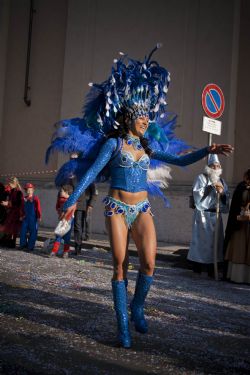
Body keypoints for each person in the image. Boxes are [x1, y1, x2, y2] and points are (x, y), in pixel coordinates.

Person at [47, 45, 233, 348]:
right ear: (130, 116)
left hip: (142, 207)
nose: (147, 120)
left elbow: (181, 161)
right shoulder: (113, 146)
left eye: (148, 116)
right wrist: (71, 199)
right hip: (117, 208)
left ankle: (136, 307)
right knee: (120, 263)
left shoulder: (147, 148)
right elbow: (93, 172)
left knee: (148, 264)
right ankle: (122, 326)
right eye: (142, 115)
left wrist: (207, 150)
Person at [187, 155, 230, 276]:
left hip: (215, 215)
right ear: (208, 167)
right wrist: (211, 188)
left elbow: (226, 196)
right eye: (213, 166)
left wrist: (222, 194)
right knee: (202, 242)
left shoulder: (221, 181)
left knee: (215, 242)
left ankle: (213, 268)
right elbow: (197, 194)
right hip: (203, 215)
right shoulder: (201, 178)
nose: (215, 168)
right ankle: (197, 267)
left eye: (217, 166)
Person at [224, 169, 250, 283]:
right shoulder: (241, 186)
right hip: (240, 223)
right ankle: (237, 276)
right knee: (239, 248)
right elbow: (235, 204)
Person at [69, 153, 98, 255]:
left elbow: (94, 192)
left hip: (82, 204)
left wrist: (90, 204)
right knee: (73, 226)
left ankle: (78, 247)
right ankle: (72, 247)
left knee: (79, 225)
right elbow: (66, 187)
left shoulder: (87, 174)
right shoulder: (70, 174)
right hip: (70, 203)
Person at [50, 184, 74, 259]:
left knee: (67, 237)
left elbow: (71, 211)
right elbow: (57, 207)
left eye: (62, 191)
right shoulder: (60, 199)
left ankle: (66, 252)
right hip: (62, 220)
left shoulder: (72, 201)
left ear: (67, 192)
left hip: (69, 220)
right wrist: (60, 213)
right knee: (58, 235)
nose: (60, 192)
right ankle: (54, 251)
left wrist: (64, 216)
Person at [0, 177, 24, 248]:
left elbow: (19, 203)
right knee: (9, 228)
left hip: (16, 212)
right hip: (11, 211)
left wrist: (8, 204)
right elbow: (10, 201)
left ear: (14, 183)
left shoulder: (19, 192)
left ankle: (13, 242)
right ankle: (8, 241)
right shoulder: (12, 191)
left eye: (10, 183)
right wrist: (6, 204)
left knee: (14, 228)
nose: (9, 185)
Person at [19, 183, 42, 251]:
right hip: (25, 218)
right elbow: (21, 208)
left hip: (33, 218)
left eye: (30, 190)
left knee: (33, 232)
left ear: (33, 190)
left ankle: (30, 246)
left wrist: (39, 216)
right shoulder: (24, 199)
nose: (28, 191)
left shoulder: (35, 199)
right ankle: (23, 245)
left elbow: (38, 208)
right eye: (27, 190)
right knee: (23, 231)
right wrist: (21, 215)